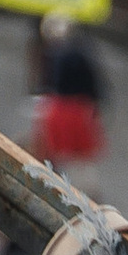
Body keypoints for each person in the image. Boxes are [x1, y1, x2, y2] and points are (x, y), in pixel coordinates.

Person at [32, 12, 106, 181]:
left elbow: (50, 83)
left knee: (59, 151)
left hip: (65, 108)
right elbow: (94, 83)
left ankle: (58, 181)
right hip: (78, 107)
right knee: (79, 155)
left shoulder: (57, 53)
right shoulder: (83, 50)